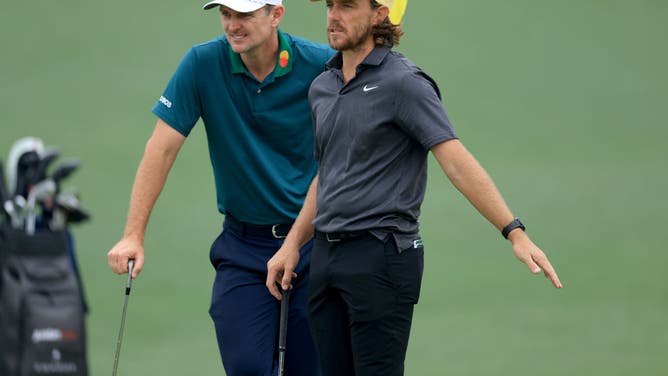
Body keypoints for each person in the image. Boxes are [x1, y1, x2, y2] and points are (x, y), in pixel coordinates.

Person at [265, 0, 563, 375]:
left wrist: (513, 230)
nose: (333, 15)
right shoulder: (323, 86)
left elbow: (455, 162)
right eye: (330, 5)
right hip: (326, 256)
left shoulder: (404, 83)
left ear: (380, 13)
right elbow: (328, 175)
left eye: (347, 5)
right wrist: (293, 244)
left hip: (381, 255)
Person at [106, 0, 333, 374]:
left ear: (275, 15)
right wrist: (133, 234)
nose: (232, 25)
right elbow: (161, 149)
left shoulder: (321, 64)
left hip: (312, 245)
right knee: (246, 366)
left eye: (243, 14)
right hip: (244, 249)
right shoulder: (202, 64)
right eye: (226, 15)